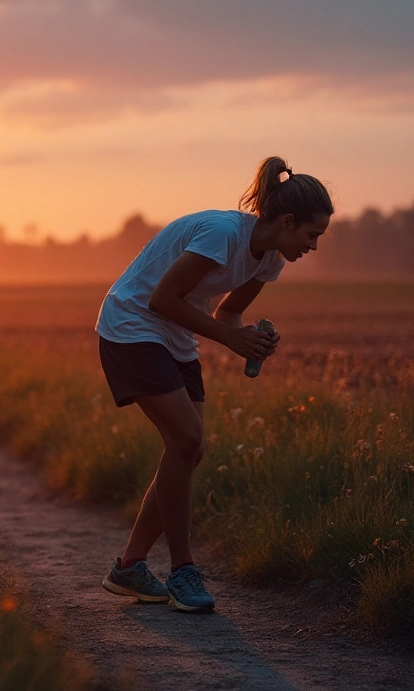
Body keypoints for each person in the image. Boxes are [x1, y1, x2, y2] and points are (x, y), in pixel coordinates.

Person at [95, 156, 333, 612]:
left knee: (191, 447)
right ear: (286, 221)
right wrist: (229, 337)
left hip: (176, 333)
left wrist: (252, 339)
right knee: (185, 437)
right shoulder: (223, 234)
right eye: (312, 235)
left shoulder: (269, 263)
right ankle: (183, 571)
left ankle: (129, 566)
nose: (315, 247)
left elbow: (225, 313)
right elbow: (161, 298)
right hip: (131, 323)